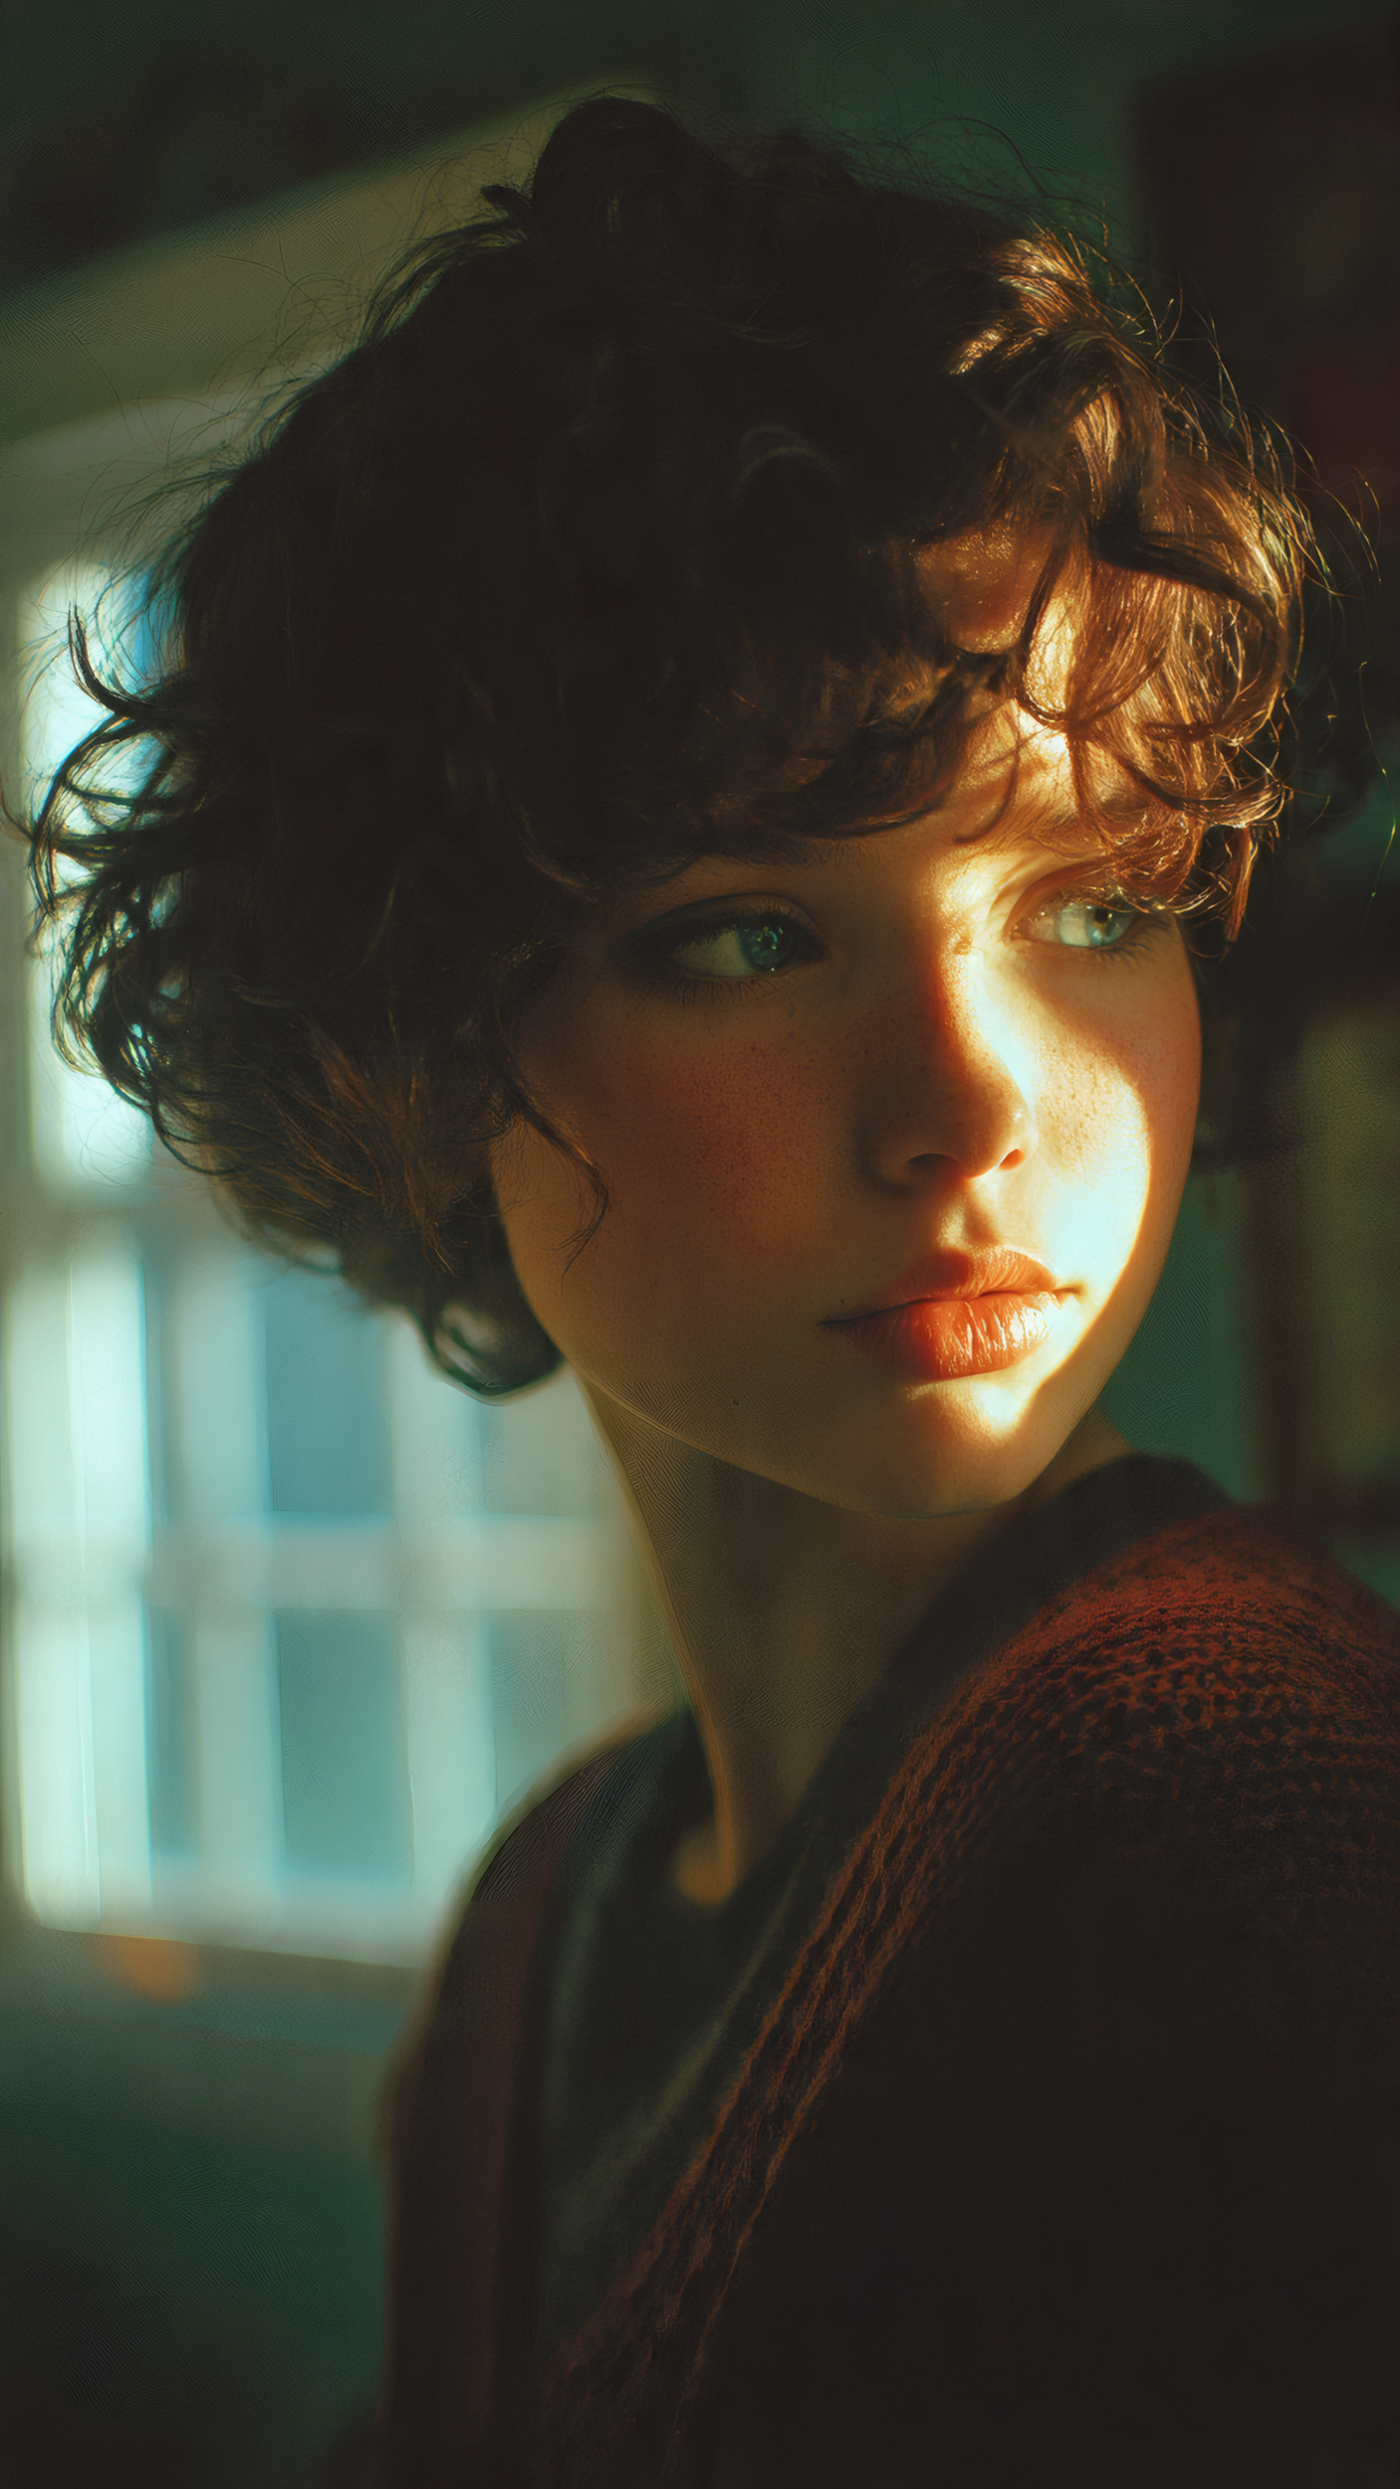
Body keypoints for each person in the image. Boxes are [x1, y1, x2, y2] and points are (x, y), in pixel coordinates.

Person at [20, 95, 1400, 2489]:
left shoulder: (1243, 1818)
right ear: (425, 1039)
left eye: (1094, 906)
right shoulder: (533, 1938)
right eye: (751, 933)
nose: (970, 1103)